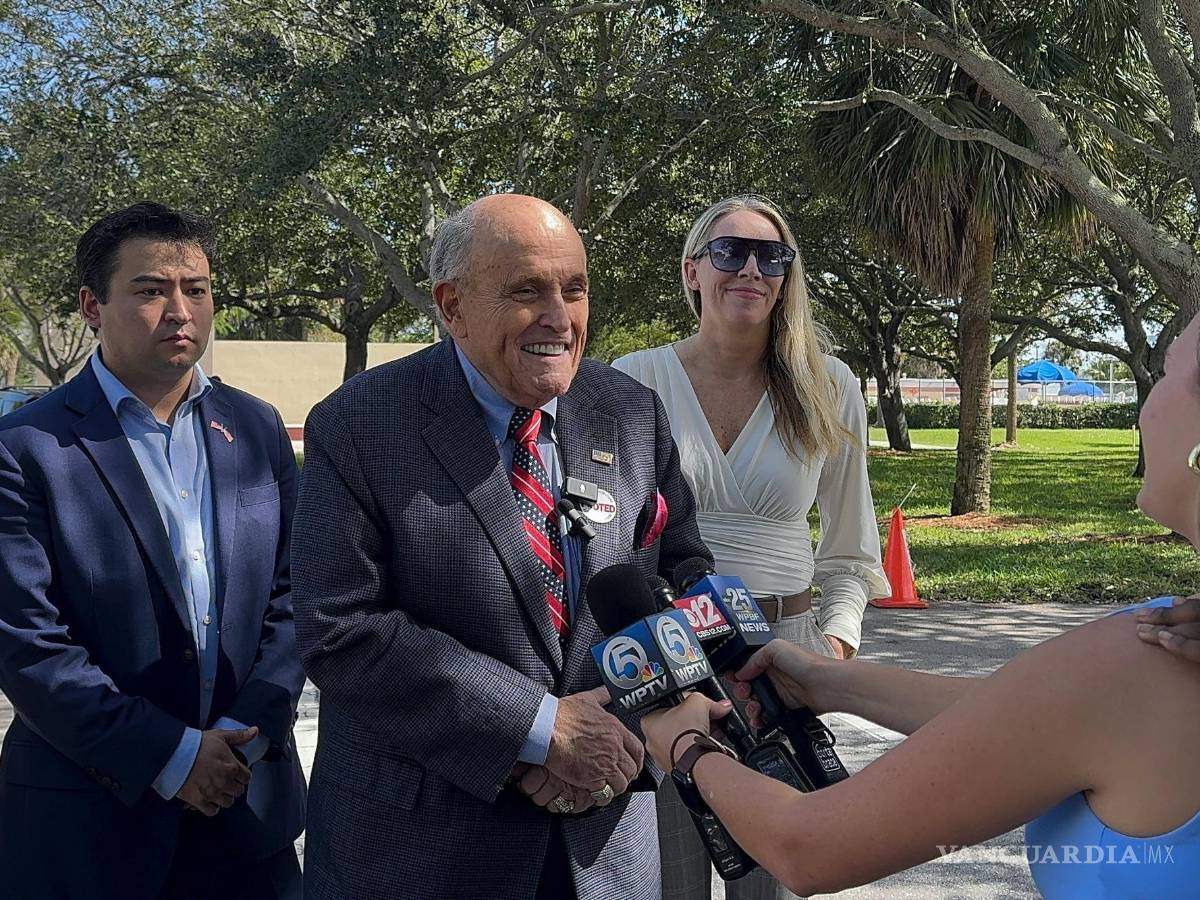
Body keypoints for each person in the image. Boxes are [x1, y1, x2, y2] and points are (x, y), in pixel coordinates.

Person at [640, 312, 1200, 898]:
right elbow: (1027, 715)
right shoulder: (1169, 651)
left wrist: (684, 745)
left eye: (1164, 373)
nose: (1146, 401)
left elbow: (809, 848)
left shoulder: (1149, 655)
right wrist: (830, 683)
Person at [292, 193, 712, 900]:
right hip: (421, 853)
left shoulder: (630, 411)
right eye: (526, 291)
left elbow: (685, 577)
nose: (559, 317)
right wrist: (540, 730)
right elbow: (340, 629)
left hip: (604, 847)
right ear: (450, 305)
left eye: (574, 289)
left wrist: (619, 727)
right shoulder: (359, 425)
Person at [0, 202, 307, 900]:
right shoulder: (26, 450)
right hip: (88, 826)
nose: (180, 310)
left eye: (196, 289)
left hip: (246, 810)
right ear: (91, 305)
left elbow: (298, 598)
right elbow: (27, 645)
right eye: (150, 290)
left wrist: (239, 732)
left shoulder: (255, 429)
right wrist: (171, 755)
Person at [613, 194, 888, 900]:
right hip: (668, 657)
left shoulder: (830, 386)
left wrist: (833, 648)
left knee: (772, 874)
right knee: (671, 870)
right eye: (729, 252)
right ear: (692, 272)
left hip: (782, 651)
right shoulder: (631, 379)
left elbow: (853, 548)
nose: (751, 270)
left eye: (772, 256)